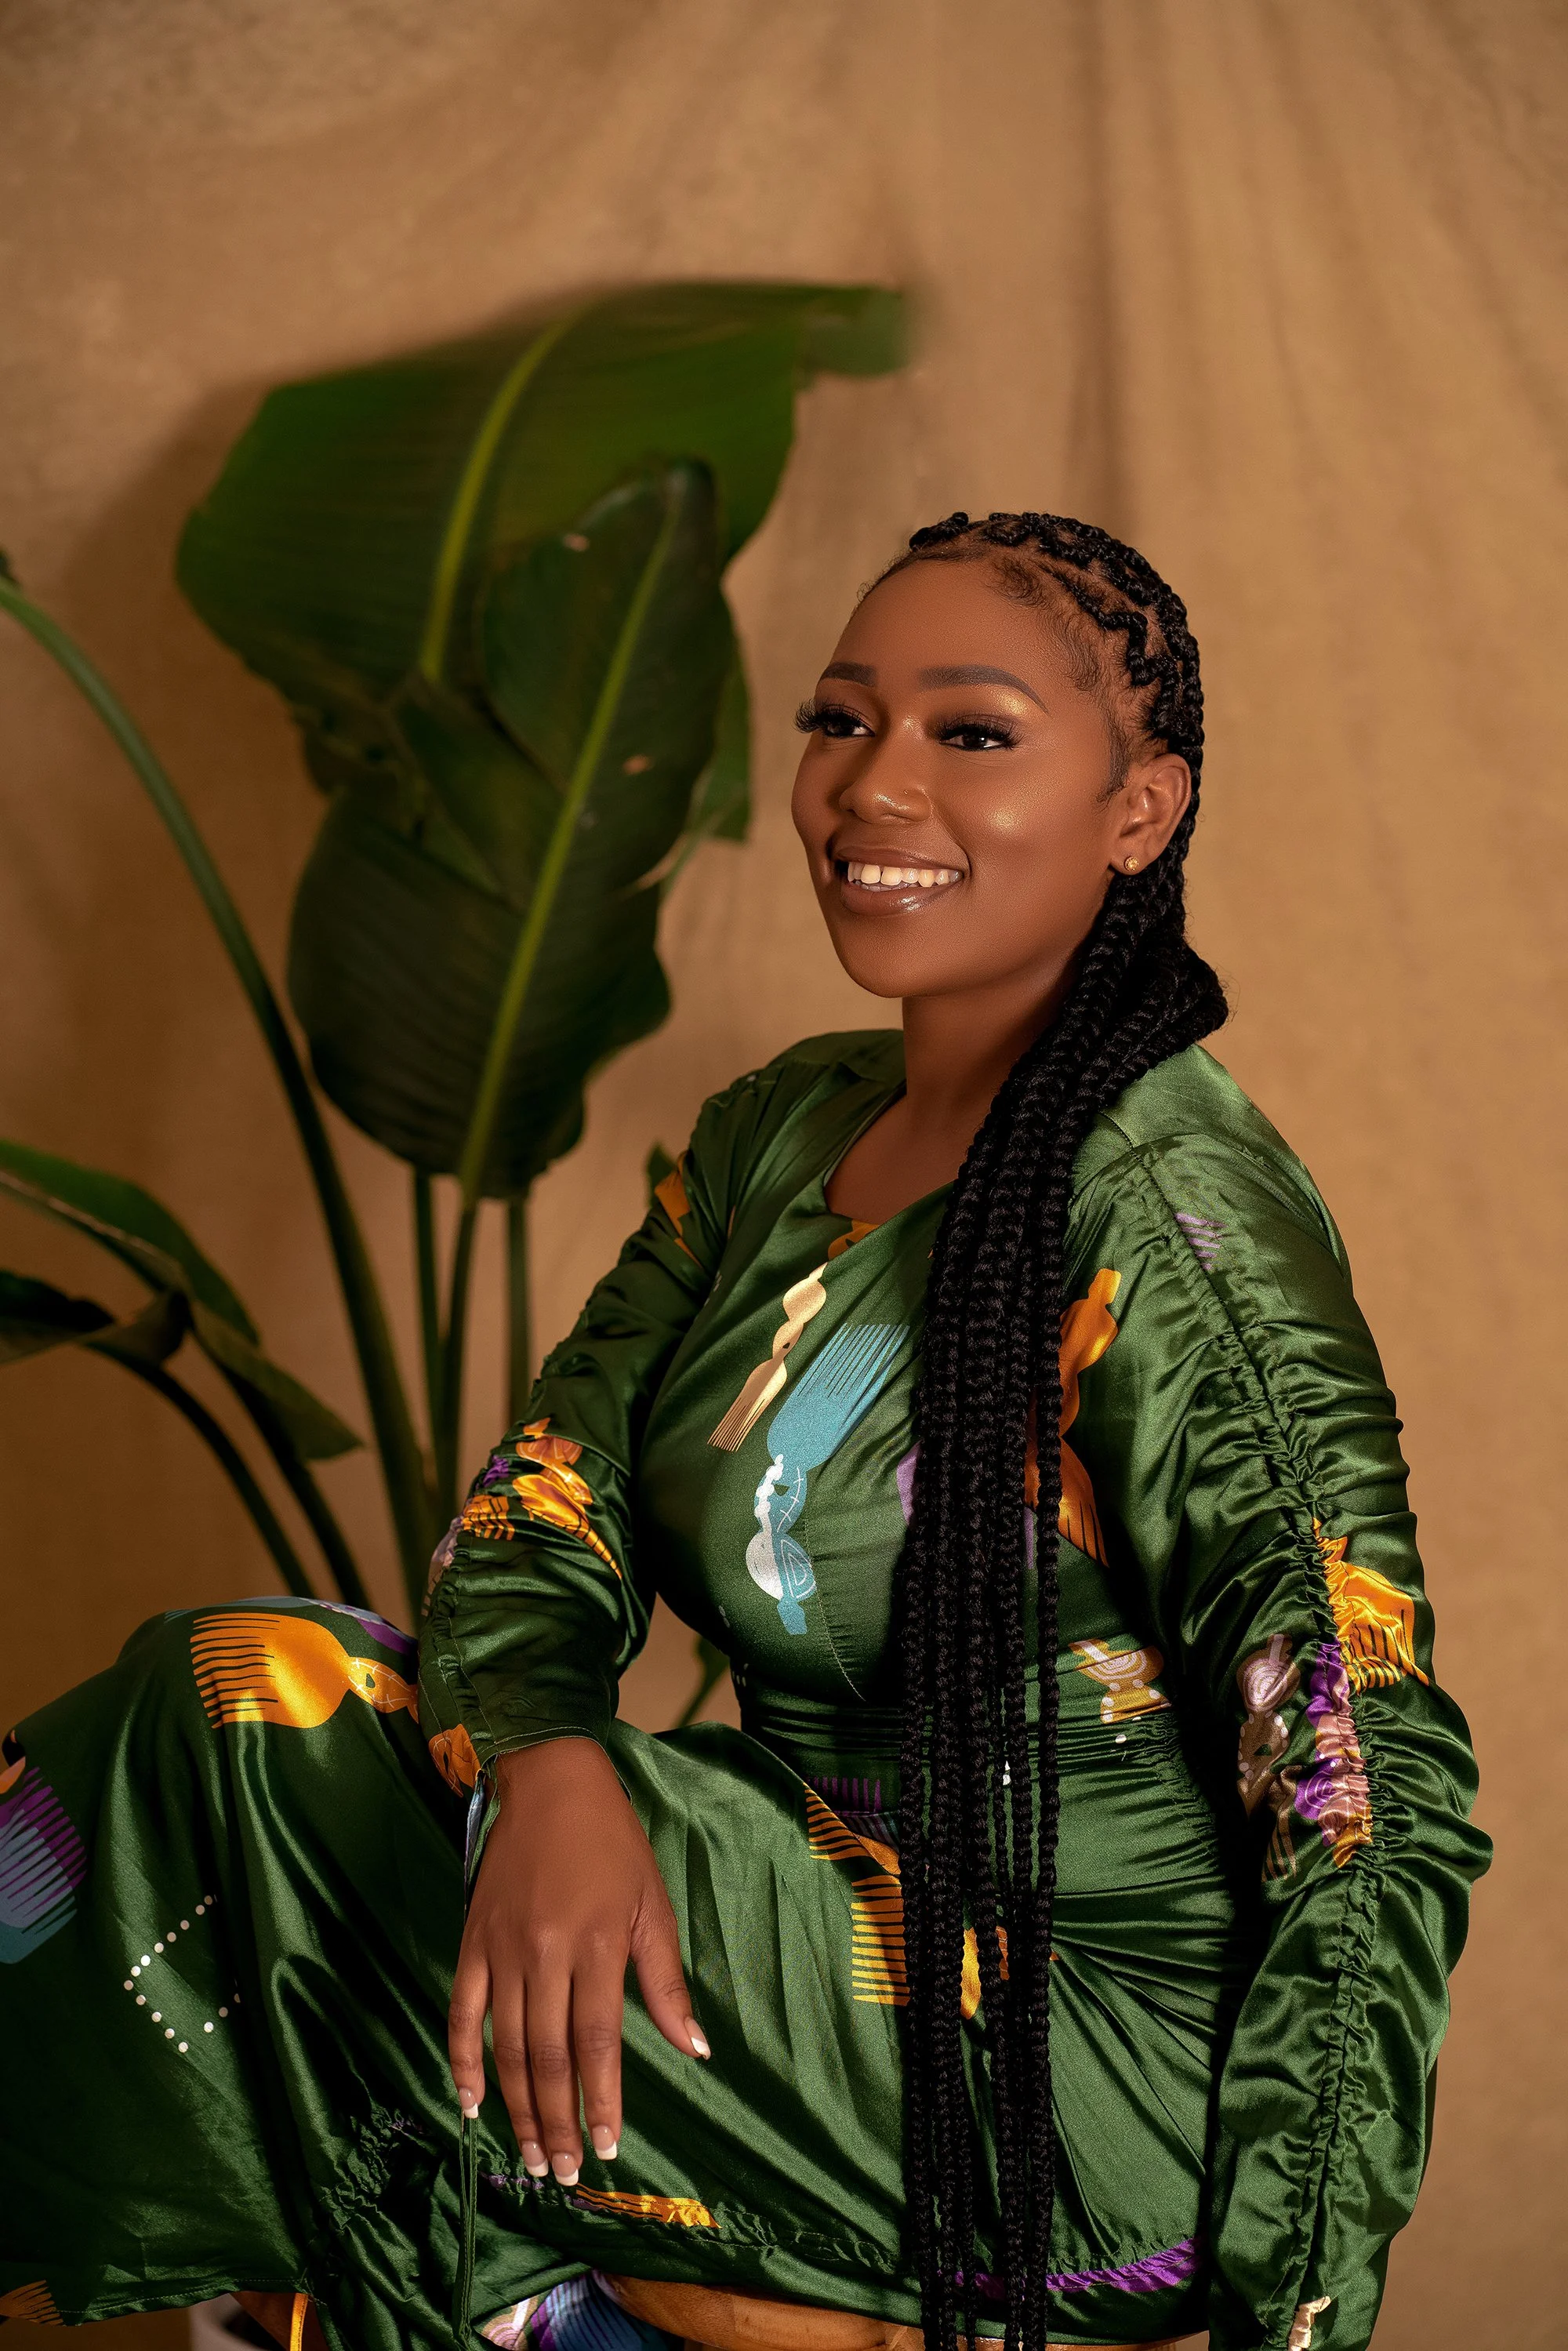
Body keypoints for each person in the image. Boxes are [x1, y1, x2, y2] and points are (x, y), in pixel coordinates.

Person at [1, 513, 1487, 2351]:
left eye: (972, 732)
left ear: (1140, 809)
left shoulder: (1168, 1215)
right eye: (836, 717)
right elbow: (546, 1502)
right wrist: (549, 1760)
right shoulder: (783, 1129)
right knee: (232, 1733)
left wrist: (1296, 2309)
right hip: (778, 1905)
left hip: (1074, 2076)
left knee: (252, 1719)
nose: (871, 787)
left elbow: (1366, 1781)